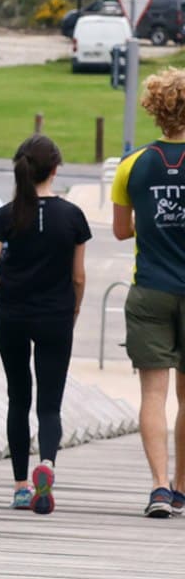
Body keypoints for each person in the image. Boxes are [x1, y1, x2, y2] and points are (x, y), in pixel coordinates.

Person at [0, 135, 87, 514]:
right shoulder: (72, 216)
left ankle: (21, 486)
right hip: (56, 315)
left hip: (12, 315)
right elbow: (78, 277)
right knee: (50, 404)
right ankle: (48, 464)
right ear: (55, 169)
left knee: (18, 397)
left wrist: (2, 287)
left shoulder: (5, 215)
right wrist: (73, 310)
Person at [111, 67, 185, 517]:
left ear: (155, 110)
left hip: (150, 289)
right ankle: (182, 487)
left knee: (153, 395)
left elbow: (122, 231)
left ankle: (158, 486)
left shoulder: (132, 164)